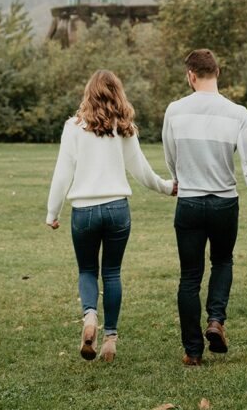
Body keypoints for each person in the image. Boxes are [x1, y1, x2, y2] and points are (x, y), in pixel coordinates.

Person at [46, 69, 175, 362]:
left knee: (87, 270)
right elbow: (142, 171)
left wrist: (53, 212)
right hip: (117, 209)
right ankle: (111, 339)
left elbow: (62, 173)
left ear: (88, 93)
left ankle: (90, 317)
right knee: (112, 272)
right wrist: (167, 188)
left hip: (84, 211)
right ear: (118, 93)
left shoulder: (73, 126)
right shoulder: (124, 128)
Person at [162, 48, 247, 365]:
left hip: (190, 201)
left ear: (190, 76)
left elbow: (170, 153)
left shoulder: (175, 111)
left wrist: (177, 178)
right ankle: (216, 320)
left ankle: (193, 352)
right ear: (217, 73)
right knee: (222, 261)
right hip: (224, 202)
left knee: (189, 278)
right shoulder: (237, 113)